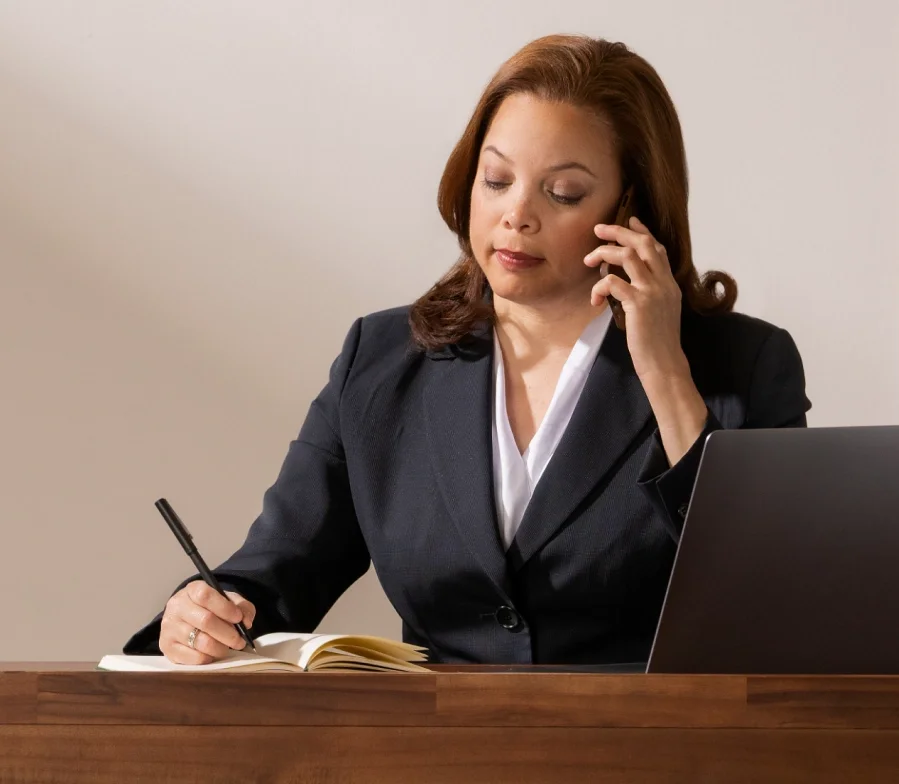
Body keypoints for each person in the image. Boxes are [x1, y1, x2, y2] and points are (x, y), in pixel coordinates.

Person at [124, 33, 811, 665]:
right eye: (496, 178)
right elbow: (277, 573)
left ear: (629, 205)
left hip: (653, 755)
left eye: (563, 191)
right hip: (432, 752)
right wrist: (205, 613)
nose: (517, 214)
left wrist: (665, 372)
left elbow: (779, 602)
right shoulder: (383, 358)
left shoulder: (745, 366)